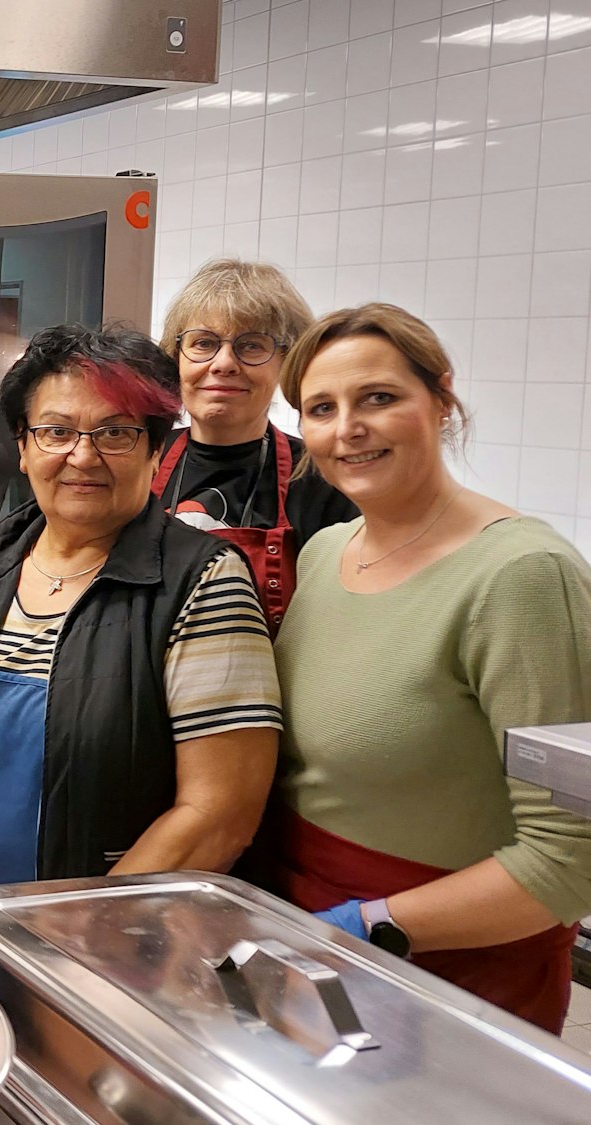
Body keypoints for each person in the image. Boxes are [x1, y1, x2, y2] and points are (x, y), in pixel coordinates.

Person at [269, 303, 591, 1033]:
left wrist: (367, 925)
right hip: (302, 931)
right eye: (321, 408)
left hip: (455, 968)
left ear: (441, 399)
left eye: (378, 397)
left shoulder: (523, 577)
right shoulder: (324, 554)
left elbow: (570, 859)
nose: (347, 427)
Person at [0, 324, 280, 936]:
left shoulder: (202, 584)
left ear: (156, 450)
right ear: (22, 448)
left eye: (116, 433)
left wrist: (72, 936)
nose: (82, 455)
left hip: (120, 943)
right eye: (55, 431)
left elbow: (218, 812)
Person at [153, 259, 357, 631]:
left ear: (287, 360)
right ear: (176, 356)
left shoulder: (321, 477)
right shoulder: (138, 457)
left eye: (252, 345)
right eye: (203, 343)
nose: (224, 363)